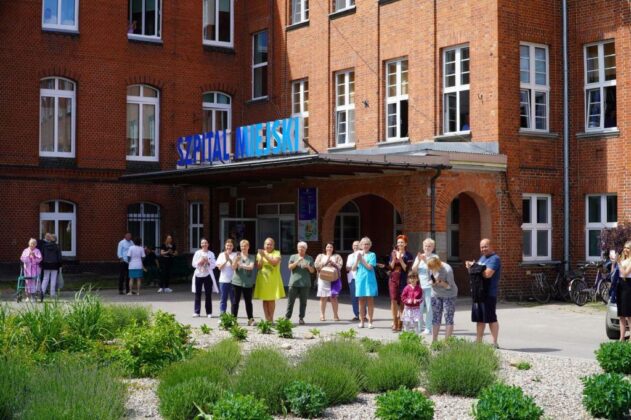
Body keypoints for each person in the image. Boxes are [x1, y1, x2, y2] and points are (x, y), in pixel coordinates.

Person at [466, 238, 501, 348]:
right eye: (481, 247)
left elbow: (487, 274)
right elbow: (475, 272)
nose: (483, 249)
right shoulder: (482, 258)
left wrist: (474, 266)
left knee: (491, 318)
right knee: (479, 319)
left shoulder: (495, 259)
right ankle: (478, 342)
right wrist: (471, 267)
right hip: (478, 293)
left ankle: (494, 343)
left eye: (485, 246)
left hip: (488, 293)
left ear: (491, 246)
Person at [254, 237, 285, 322]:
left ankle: (271, 318)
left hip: (273, 280)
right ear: (264, 245)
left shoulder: (277, 253)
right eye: (267, 244)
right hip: (263, 280)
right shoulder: (260, 254)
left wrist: (264, 255)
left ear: (273, 245)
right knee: (265, 300)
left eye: (271, 244)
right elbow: (259, 267)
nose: (269, 246)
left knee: (271, 300)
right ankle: (267, 319)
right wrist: (261, 257)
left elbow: (274, 263)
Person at [427, 256, 458, 343]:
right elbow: (429, 280)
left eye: (433, 268)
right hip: (436, 294)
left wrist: (441, 282)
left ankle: (447, 342)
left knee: (448, 316)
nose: (431, 270)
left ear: (438, 264)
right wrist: (432, 283)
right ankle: (434, 341)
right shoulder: (429, 267)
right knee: (436, 317)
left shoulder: (447, 270)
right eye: (430, 268)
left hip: (449, 294)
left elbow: (449, 286)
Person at [412, 238, 438, 334]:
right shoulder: (419, 256)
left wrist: (425, 260)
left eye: (429, 246)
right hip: (419, 286)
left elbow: (434, 269)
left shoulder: (435, 257)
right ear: (423, 247)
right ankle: (419, 327)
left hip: (430, 286)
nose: (427, 248)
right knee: (419, 307)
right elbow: (414, 270)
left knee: (429, 307)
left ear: (433, 247)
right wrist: (419, 260)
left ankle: (428, 327)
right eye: (425, 246)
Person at [388, 235, 414, 332]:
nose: (400, 244)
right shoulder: (393, 253)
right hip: (393, 279)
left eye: (402, 242)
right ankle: (394, 322)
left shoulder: (409, 255)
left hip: (403, 278)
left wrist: (401, 258)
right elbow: (390, 267)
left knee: (402, 301)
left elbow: (406, 269)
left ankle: (401, 321)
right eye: (398, 242)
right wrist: (394, 259)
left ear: (405, 244)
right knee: (393, 300)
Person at [287, 241, 315, 325]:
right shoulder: (293, 256)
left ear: (306, 249)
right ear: (297, 248)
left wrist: (308, 266)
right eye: (299, 247)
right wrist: (297, 261)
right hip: (294, 283)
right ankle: (287, 317)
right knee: (290, 302)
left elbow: (312, 271)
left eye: (303, 247)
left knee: (303, 302)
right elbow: (290, 267)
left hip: (305, 284)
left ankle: (301, 318)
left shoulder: (309, 258)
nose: (301, 249)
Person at [353, 237, 378, 329]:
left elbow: (369, 267)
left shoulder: (372, 255)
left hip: (369, 279)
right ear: (361, 245)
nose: (366, 246)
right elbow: (353, 268)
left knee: (370, 300)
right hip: (360, 279)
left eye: (367, 244)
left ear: (370, 245)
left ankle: (370, 321)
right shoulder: (358, 254)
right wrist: (357, 260)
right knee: (361, 301)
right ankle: (362, 321)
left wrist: (362, 259)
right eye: (364, 244)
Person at [315, 242, 343, 321]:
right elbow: (316, 265)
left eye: (331, 247)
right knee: (323, 297)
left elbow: (340, 266)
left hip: (334, 279)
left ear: (333, 248)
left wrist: (334, 264)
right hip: (323, 279)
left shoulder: (337, 256)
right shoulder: (320, 256)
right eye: (328, 247)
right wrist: (325, 262)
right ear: (325, 248)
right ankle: (322, 315)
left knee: (334, 297)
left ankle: (335, 315)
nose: (329, 248)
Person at [231, 239, 256, 326]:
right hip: (236, 282)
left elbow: (251, 267)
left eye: (245, 246)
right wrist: (236, 261)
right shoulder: (237, 256)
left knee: (248, 302)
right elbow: (233, 268)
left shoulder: (251, 257)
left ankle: (250, 319)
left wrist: (241, 265)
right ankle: (233, 320)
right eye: (242, 246)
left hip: (247, 283)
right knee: (235, 302)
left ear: (248, 247)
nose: (243, 248)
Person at [192, 238, 217, 318]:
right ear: (201, 244)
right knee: (197, 293)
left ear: (208, 244)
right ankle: (197, 312)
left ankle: (209, 312)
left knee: (208, 294)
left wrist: (208, 262)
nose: (204, 244)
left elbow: (214, 265)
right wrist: (200, 261)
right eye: (202, 243)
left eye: (206, 243)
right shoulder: (197, 253)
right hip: (198, 275)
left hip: (207, 275)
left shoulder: (211, 254)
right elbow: (193, 264)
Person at [216, 239, 237, 315]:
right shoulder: (221, 255)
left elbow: (234, 267)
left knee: (233, 300)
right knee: (223, 299)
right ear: (225, 246)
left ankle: (233, 316)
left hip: (233, 281)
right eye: (227, 245)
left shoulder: (235, 255)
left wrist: (229, 259)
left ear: (233, 246)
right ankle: (223, 316)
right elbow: (219, 268)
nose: (229, 247)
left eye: (231, 245)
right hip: (223, 280)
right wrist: (226, 260)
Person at [616, 242, 631, 341]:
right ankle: (621, 338)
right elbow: (615, 272)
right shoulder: (623, 260)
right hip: (620, 286)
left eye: (628, 248)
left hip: (628, 286)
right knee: (621, 314)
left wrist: (619, 263)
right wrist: (615, 263)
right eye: (625, 247)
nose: (625, 250)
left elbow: (625, 273)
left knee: (629, 314)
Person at [40, 233, 62, 301]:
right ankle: (52, 294)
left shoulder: (44, 246)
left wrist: (41, 264)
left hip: (46, 264)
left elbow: (42, 255)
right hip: (55, 264)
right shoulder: (57, 246)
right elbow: (59, 257)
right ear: (56, 240)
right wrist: (60, 265)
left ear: (50, 239)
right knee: (53, 279)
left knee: (45, 278)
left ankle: (42, 292)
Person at [346, 240, 364, 321]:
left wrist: (353, 267)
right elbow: (347, 268)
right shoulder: (350, 256)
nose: (355, 247)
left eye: (357, 245)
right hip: (352, 278)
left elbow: (361, 266)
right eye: (354, 245)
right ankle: (357, 314)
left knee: (361, 297)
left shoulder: (362, 254)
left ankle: (363, 315)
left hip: (360, 278)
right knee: (354, 297)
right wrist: (353, 267)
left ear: (360, 246)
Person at [20, 238, 42, 302]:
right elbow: (22, 259)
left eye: (34, 244)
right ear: (29, 244)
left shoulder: (37, 251)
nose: (32, 245)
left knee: (34, 282)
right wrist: (28, 256)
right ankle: (28, 296)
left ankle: (33, 296)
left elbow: (39, 259)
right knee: (27, 282)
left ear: (36, 244)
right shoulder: (25, 250)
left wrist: (34, 256)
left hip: (35, 269)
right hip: (27, 269)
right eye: (31, 243)